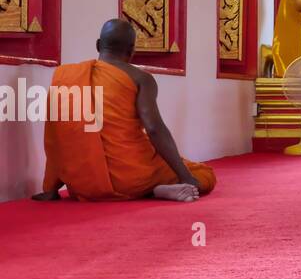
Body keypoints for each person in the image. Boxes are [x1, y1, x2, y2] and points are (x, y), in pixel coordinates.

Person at [33, 20, 216, 202]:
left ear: (98, 45)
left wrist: (51, 187)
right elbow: (153, 128)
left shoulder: (65, 76)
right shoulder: (140, 78)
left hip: (84, 184)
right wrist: (186, 177)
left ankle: (153, 190)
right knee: (203, 173)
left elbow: (57, 135)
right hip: (132, 176)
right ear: (131, 50)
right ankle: (153, 189)